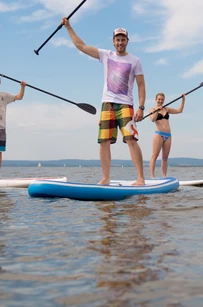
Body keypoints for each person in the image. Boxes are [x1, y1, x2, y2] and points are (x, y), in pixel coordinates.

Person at [61, 18, 146, 185]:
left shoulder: (135, 60)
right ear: (113, 41)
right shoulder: (106, 55)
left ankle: (141, 178)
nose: (120, 42)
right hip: (107, 104)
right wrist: (68, 27)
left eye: (123, 39)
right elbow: (81, 46)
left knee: (131, 139)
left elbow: (141, 85)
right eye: (117, 39)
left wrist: (141, 107)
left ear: (127, 41)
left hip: (126, 105)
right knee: (104, 141)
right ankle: (106, 178)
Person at [148, 93, 185, 178]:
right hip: (158, 134)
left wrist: (183, 100)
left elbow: (179, 110)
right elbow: (153, 119)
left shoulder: (166, 109)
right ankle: (152, 176)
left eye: (162, 99)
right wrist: (157, 110)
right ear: (156, 99)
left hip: (168, 135)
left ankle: (164, 176)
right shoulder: (152, 109)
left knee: (165, 157)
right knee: (155, 155)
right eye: (159, 99)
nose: (160, 101)